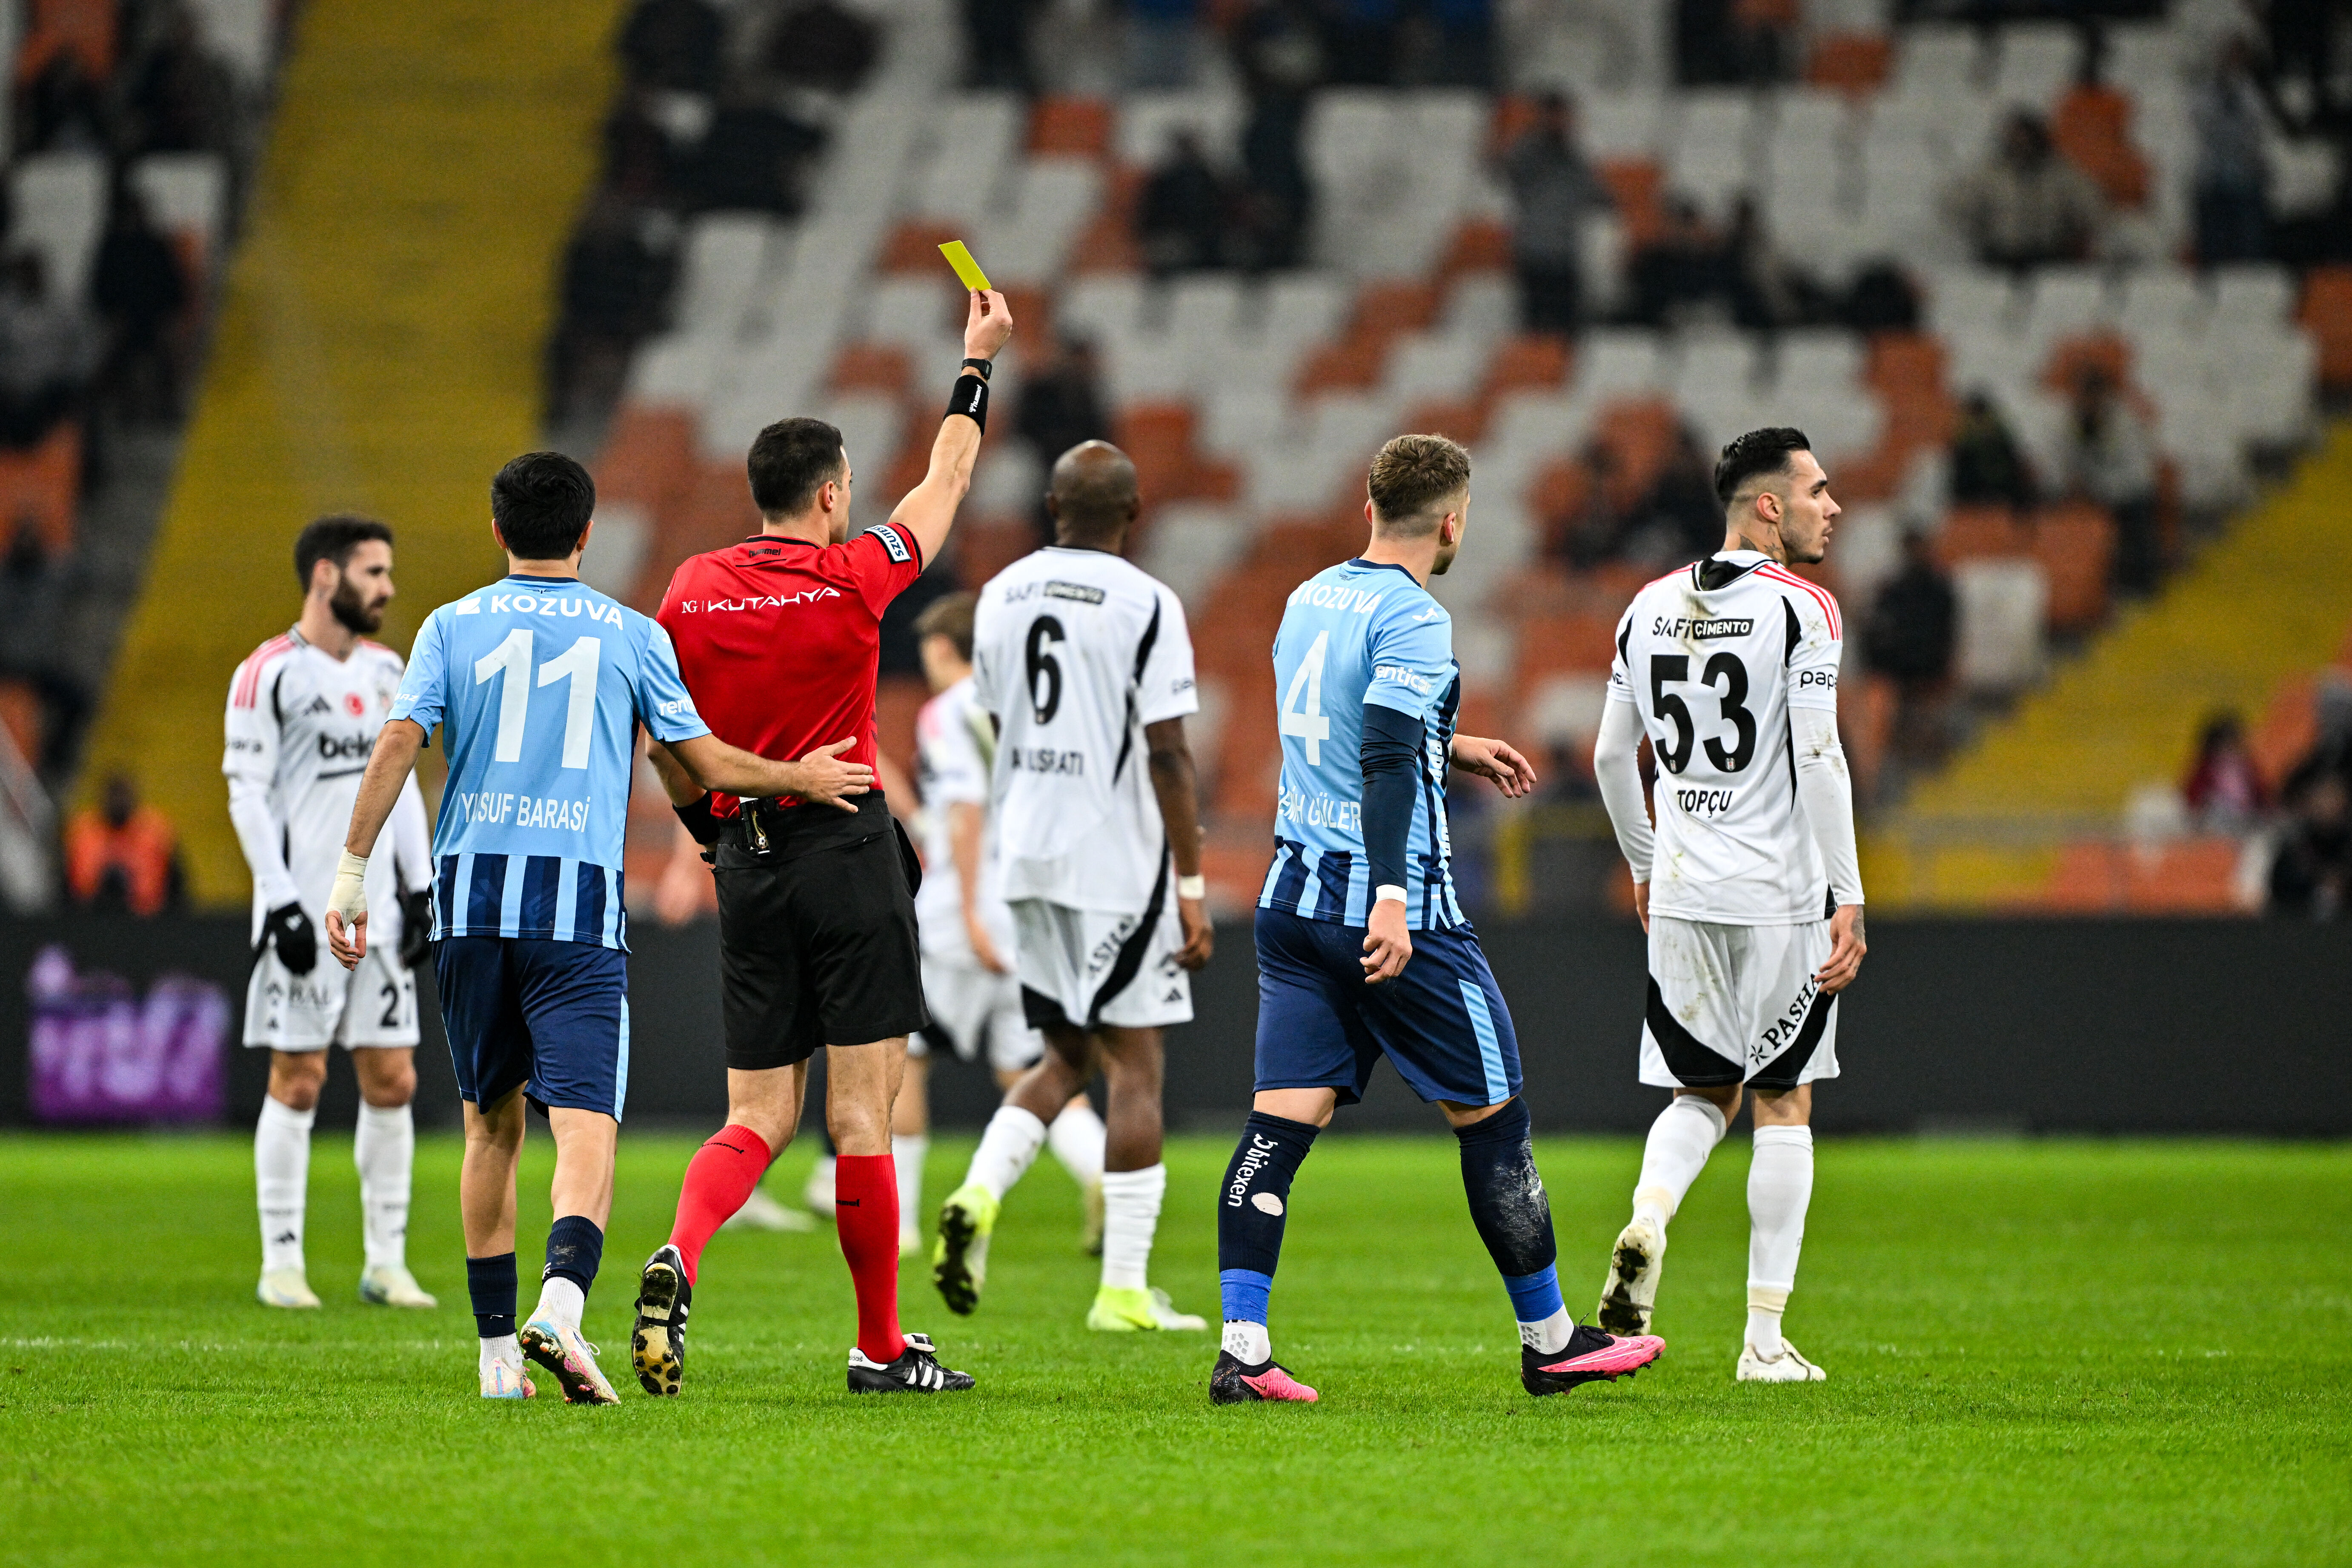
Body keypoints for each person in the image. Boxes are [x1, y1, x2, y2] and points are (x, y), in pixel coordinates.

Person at [324, 451, 865, 1403]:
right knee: (585, 1124)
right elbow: (703, 761)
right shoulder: (631, 634)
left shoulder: (451, 624)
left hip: (471, 901)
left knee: (489, 1127)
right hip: (574, 908)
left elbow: (400, 741)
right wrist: (800, 777)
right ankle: (563, 1305)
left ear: (500, 530)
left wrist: (352, 873)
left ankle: (498, 1358)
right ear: (585, 534)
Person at [1211, 433, 1662, 1405]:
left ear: (1368, 508)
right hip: (1393, 906)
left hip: (1291, 898)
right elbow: (1379, 755)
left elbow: (1338, 723)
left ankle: (1242, 1349)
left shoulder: (1309, 596)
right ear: (1453, 522)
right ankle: (1550, 1341)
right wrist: (1389, 895)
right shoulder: (1415, 616)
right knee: (1493, 1115)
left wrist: (1452, 745)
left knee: (1277, 1125)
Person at [626, 288, 1014, 1399]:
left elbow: (667, 743)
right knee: (860, 1113)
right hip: (846, 853)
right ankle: (880, 1346)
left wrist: (710, 834)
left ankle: (680, 1250)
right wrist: (976, 364)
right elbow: (946, 480)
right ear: (834, 494)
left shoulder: (690, 590)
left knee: (755, 1113)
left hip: (747, 862)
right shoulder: (854, 575)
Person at [1589, 426, 1866, 1384]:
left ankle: (1649, 1216)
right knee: (1784, 1099)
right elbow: (1820, 755)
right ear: (1770, 506)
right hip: (1779, 896)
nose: (1834, 507)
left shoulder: (1645, 605)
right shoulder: (1804, 608)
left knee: (1700, 1091)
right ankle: (1763, 1340)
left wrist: (1643, 865)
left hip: (1681, 891)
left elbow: (1609, 757)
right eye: (1819, 490)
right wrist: (1848, 894)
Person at [931, 440, 1213, 1333]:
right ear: (1134, 514)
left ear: (1050, 508)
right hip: (1113, 862)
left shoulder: (1001, 594)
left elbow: (998, 719)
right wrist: (1191, 880)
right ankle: (1123, 1290)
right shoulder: (1147, 602)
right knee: (1137, 1062)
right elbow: (1168, 752)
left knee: (1065, 1056)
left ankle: (978, 1192)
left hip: (1025, 856)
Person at [224, 516, 438, 1313]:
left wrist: (419, 885)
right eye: (373, 572)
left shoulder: (389, 670)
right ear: (325, 575)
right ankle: (281, 1261)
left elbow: (401, 786)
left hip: (380, 916)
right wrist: (281, 901)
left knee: (394, 1077)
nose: (387, 587)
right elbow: (247, 795)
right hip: (307, 912)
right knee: (300, 1078)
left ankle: (387, 1262)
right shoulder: (267, 673)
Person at [905, 592, 1107, 1259]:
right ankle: (1100, 1170)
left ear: (942, 649)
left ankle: (900, 1228)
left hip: (963, 916)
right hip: (1032, 914)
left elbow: (964, 812)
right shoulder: (1034, 711)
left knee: (902, 1060)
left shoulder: (948, 712)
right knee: (1033, 1066)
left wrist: (968, 911)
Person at [1496, 93, 1611, 336]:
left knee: (1568, 330)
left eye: (1563, 117)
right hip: (1533, 253)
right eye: (1553, 116)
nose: (1560, 122)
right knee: (1535, 329)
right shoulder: (1527, 153)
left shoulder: (1576, 159)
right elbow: (1504, 167)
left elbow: (1599, 196)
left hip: (1566, 254)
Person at [1941, 110, 2106, 270]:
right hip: (1999, 260)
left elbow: (2092, 209)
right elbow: (1956, 207)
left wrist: (2074, 235)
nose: (2021, 144)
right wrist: (1979, 234)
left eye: (2026, 138)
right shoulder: (1990, 175)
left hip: (2050, 260)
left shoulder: (2061, 175)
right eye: (2015, 138)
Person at [2060, 367, 2160, 594]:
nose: (2084, 402)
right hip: (2103, 494)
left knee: (2135, 540)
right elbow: (2074, 459)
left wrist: (2095, 487)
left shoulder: (2123, 422)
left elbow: (2128, 465)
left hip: (2130, 490)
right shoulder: (2078, 423)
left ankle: (2141, 587)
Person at [63, 773, 185, 916]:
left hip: (147, 917)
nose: (119, 802)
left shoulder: (155, 832)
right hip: (90, 916)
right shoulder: (83, 832)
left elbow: (177, 885)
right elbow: (68, 886)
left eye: (123, 796)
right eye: (114, 796)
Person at [2181, 710, 2268, 833]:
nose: (2230, 749)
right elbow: (2194, 796)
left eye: (2234, 744)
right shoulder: (2207, 769)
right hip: (2218, 820)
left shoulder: (2246, 767)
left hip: (2247, 818)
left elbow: (2260, 794)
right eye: (2226, 745)